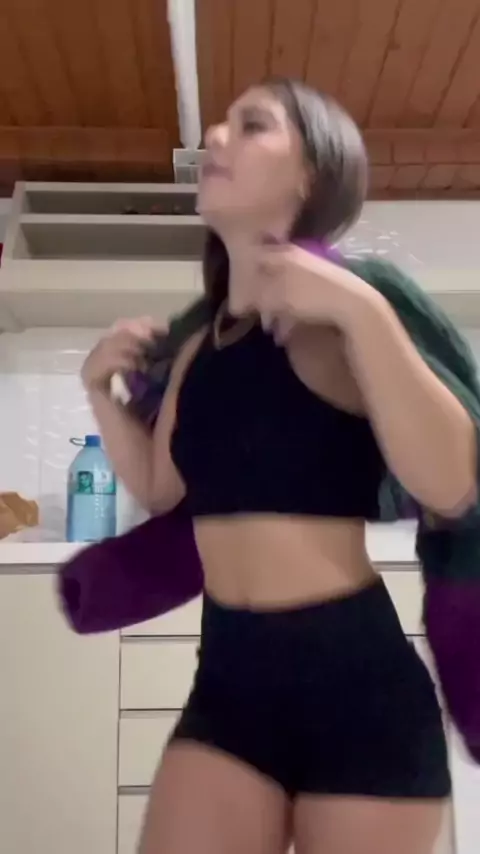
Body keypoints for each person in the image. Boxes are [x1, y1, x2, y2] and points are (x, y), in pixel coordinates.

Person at [81, 79, 476, 854]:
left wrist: (363, 311)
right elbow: (164, 489)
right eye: (219, 125)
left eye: (251, 125)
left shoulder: (353, 311)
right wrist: (100, 394)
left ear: (311, 175)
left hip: (358, 691)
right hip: (227, 683)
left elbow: (457, 486)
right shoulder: (196, 350)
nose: (215, 138)